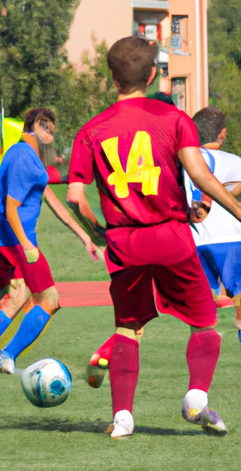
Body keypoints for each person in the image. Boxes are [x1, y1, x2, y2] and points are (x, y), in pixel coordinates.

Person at [66, 36, 241, 438]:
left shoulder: (92, 129)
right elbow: (200, 175)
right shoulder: (174, 119)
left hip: (126, 242)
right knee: (204, 322)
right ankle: (196, 397)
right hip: (172, 236)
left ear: (112, 78)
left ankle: (123, 418)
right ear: (152, 74)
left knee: (128, 327)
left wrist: (99, 229)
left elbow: (75, 196)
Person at [0, 108, 99, 376]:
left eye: (52, 131)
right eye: (47, 128)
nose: (50, 135)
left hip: (9, 239)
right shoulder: (24, 156)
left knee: (9, 298)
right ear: (34, 125)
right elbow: (11, 208)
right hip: (17, 240)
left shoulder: (25, 156)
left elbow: (53, 201)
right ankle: (0, 355)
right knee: (48, 299)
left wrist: (85, 237)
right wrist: (26, 244)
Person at [183, 106, 241, 341]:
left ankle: (201, 364)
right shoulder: (234, 161)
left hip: (193, 242)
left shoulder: (184, 162)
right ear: (223, 134)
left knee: (200, 318)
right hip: (231, 241)